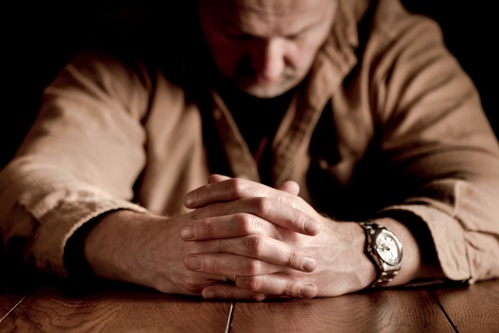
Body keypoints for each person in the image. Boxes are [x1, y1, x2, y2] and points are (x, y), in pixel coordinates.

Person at [1, 0, 498, 301]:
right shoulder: (130, 45)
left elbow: (490, 193)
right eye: (238, 33)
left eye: (296, 36)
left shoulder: (398, 46)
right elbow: (30, 185)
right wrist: (143, 246)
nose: (266, 65)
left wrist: (364, 250)